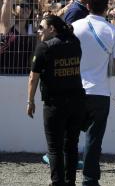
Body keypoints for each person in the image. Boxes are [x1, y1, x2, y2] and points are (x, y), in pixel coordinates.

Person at [72, 0, 115, 186]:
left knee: (70, 136)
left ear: (87, 6)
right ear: (107, 8)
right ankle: (89, 180)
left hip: (74, 90)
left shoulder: (74, 27)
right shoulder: (113, 32)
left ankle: (67, 176)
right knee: (94, 140)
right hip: (100, 93)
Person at [26, 15, 86, 186]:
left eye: (41, 27)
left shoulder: (44, 48)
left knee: (54, 148)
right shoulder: (75, 42)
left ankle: (58, 182)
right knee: (71, 145)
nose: (38, 31)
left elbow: (33, 78)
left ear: (52, 29)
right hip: (76, 102)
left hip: (55, 104)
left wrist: (30, 101)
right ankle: (70, 182)